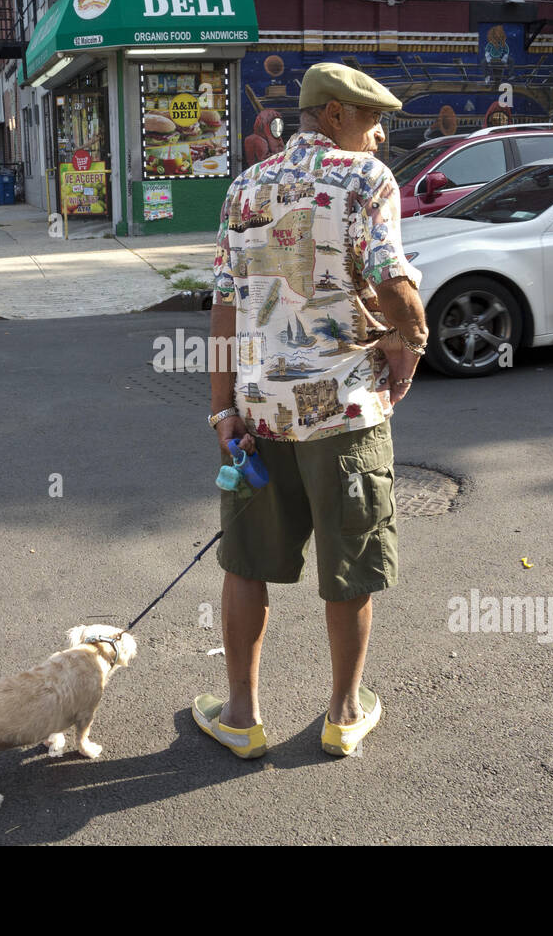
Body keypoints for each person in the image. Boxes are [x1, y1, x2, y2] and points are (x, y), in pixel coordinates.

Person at [197, 62, 428, 760]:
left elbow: (224, 309)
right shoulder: (365, 180)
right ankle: (342, 713)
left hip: (261, 417)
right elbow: (394, 283)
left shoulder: (244, 186)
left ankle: (240, 716)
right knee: (349, 566)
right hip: (344, 416)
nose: (381, 134)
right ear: (331, 115)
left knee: (246, 563)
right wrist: (410, 342)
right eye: (370, 117)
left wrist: (221, 413)